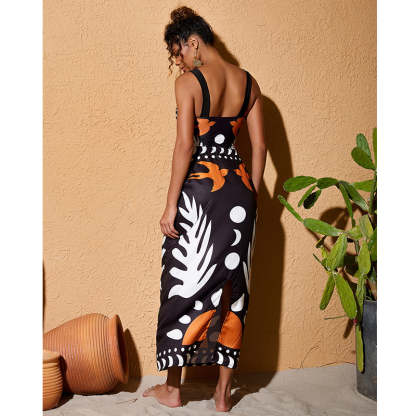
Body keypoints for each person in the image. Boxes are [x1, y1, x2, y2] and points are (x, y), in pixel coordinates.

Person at [142, 6, 267, 412]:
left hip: (201, 190)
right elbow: (259, 147)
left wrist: (170, 206)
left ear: (193, 42)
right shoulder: (249, 83)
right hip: (240, 193)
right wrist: (252, 194)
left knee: (182, 284)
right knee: (233, 290)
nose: (178, 62)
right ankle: (222, 394)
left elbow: (185, 146)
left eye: (178, 52)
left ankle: (173, 389)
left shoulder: (188, 83)